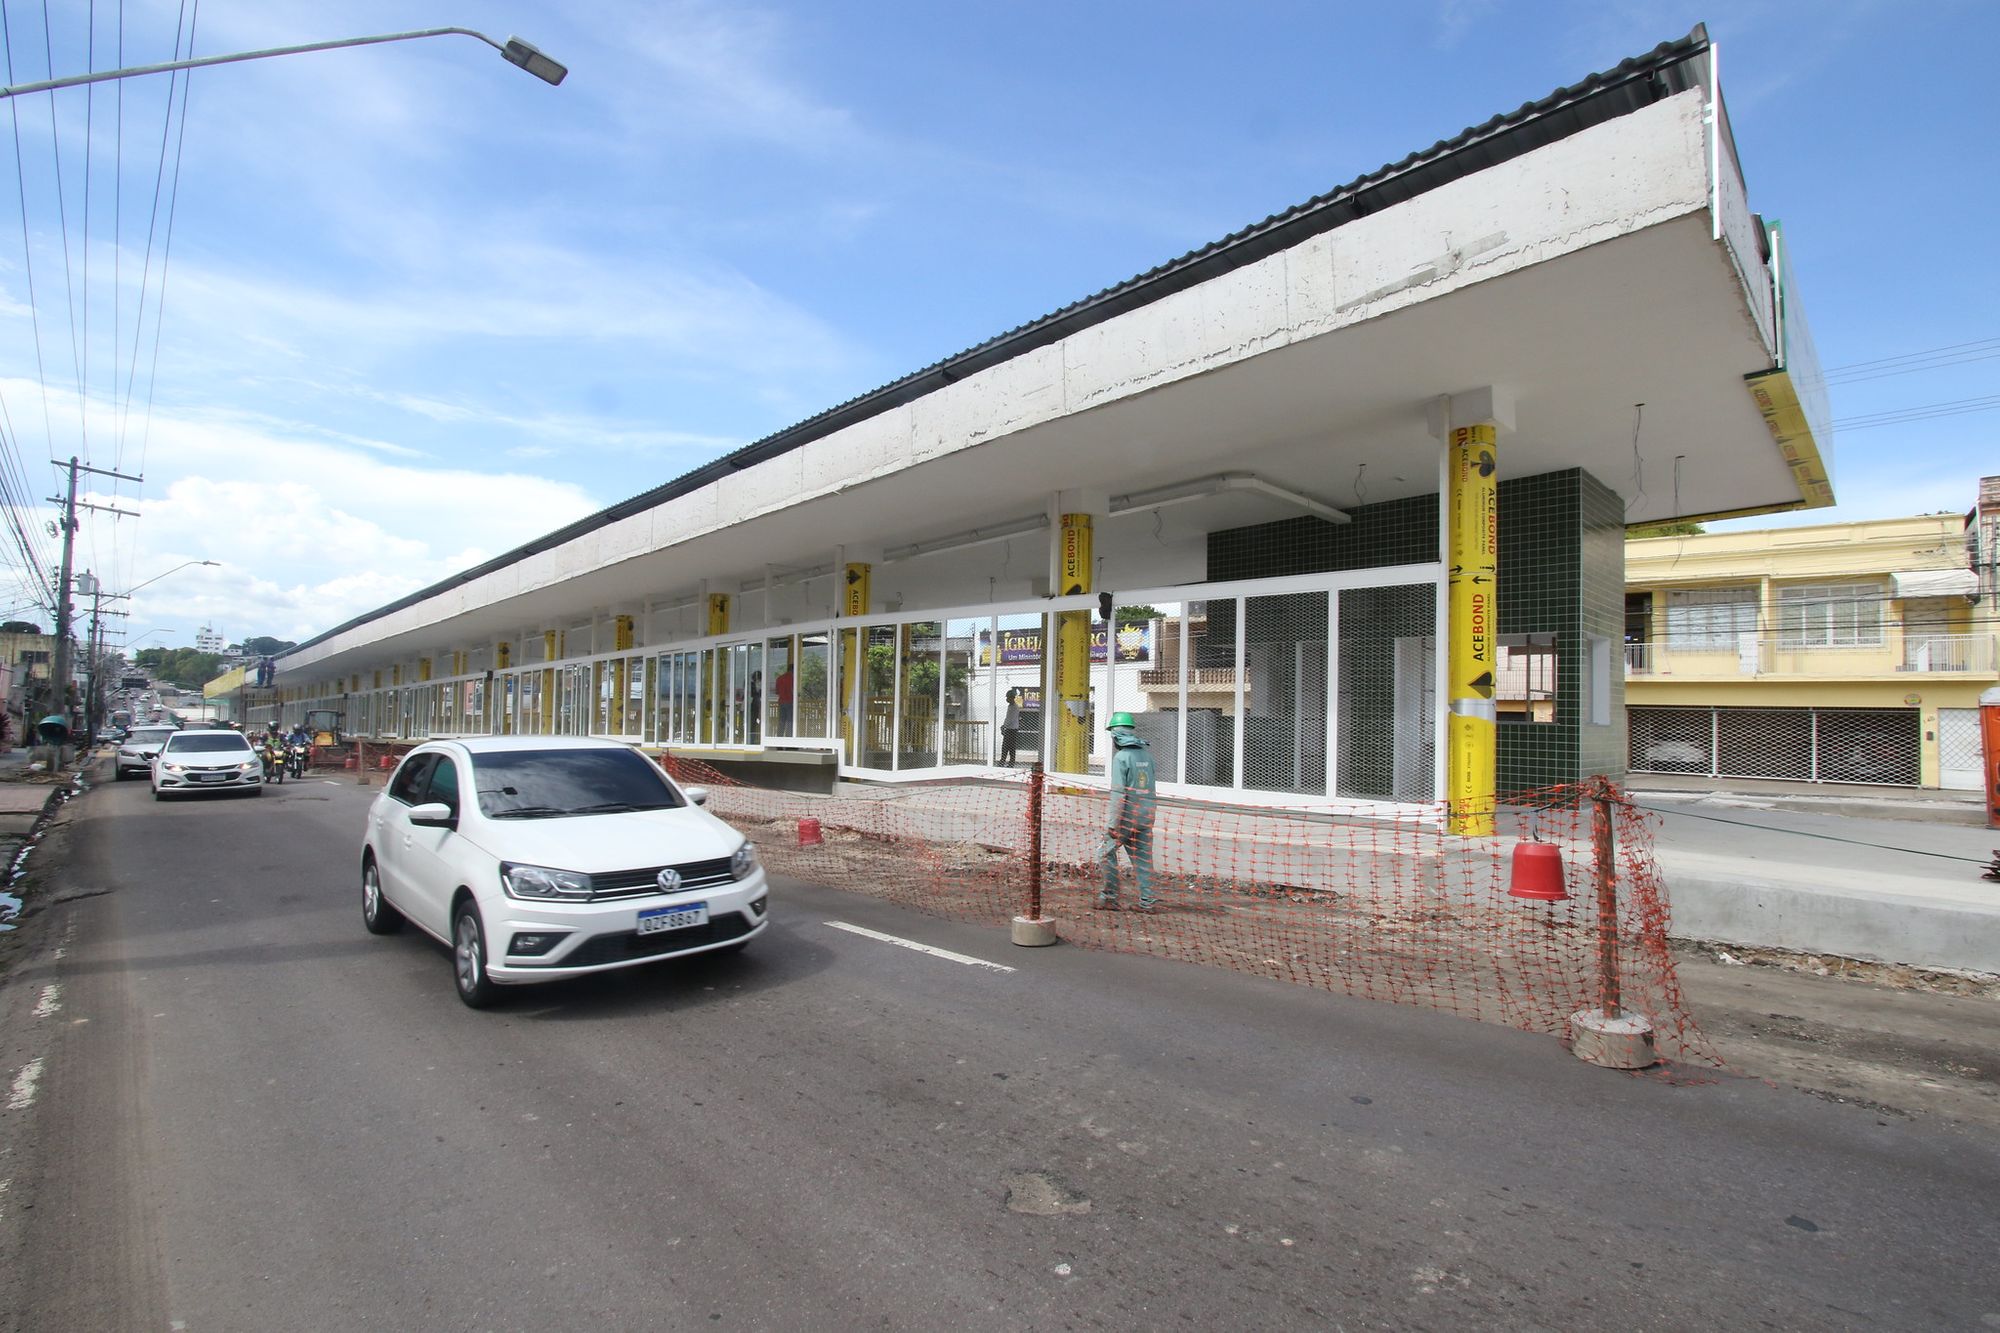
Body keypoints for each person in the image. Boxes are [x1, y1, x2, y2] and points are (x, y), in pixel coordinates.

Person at [1097, 711, 1158, 912]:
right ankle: (1147, 902)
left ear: (1116, 736)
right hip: (1146, 815)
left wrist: (1113, 824)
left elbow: (1118, 794)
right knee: (1143, 860)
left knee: (1104, 853)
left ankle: (1109, 897)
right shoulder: (1147, 756)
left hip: (1126, 817)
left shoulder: (1121, 758)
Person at [1000, 688, 1022, 766]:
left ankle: (1009, 762)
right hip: (1009, 728)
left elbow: (1011, 719)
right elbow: (1008, 718)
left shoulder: (1014, 707)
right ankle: (1004, 762)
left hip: (1012, 729)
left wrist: (1004, 726)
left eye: (1008, 697)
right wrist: (1004, 725)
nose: (1007, 699)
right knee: (1007, 746)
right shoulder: (1010, 706)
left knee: (1009, 747)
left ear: (1012, 698)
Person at [774, 664, 795, 732]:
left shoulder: (779, 678)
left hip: (781, 702)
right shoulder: (792, 678)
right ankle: (789, 736)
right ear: (793, 670)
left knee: (781, 721)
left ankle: (780, 736)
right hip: (789, 701)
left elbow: (777, 692)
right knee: (790, 721)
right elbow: (792, 690)